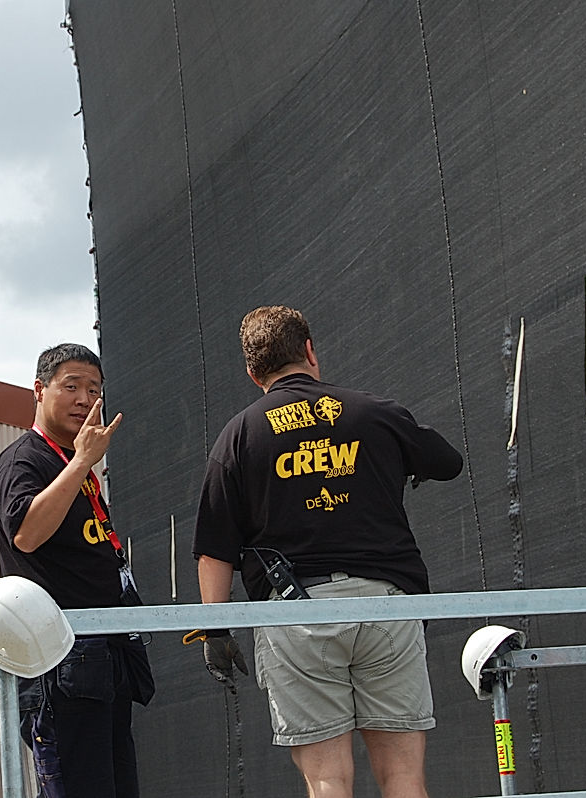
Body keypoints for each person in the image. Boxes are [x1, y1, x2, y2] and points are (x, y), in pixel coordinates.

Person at [192, 306, 462, 798]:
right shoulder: (374, 412)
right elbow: (447, 461)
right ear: (311, 351)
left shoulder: (239, 436)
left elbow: (214, 551)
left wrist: (216, 632)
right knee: (404, 777)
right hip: (386, 606)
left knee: (327, 780)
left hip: (297, 615)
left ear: (254, 374)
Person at [0, 343, 153, 798]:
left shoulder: (73, 465)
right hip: (60, 659)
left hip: (102, 653)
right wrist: (82, 460)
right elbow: (25, 532)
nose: (85, 399)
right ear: (39, 391)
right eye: (72, 386)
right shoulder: (25, 460)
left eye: (95, 389)